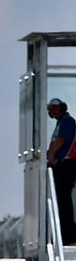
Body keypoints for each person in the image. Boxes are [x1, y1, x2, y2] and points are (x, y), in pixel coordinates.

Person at [48, 98, 76, 244]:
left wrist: (51, 156)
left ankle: (69, 233)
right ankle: (64, 232)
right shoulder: (61, 123)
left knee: (64, 199)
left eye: (55, 108)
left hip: (67, 164)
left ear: (62, 108)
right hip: (62, 164)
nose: (52, 111)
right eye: (50, 108)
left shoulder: (67, 121)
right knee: (61, 199)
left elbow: (61, 141)